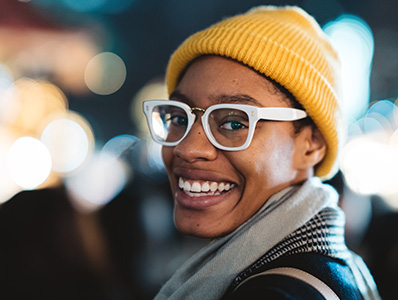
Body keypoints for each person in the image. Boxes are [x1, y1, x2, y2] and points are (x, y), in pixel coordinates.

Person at [142, 5, 380, 300]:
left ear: (312, 144)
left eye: (233, 122)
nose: (188, 148)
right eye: (179, 118)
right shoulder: (338, 267)